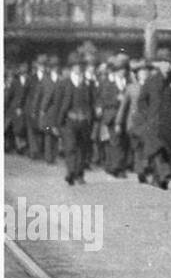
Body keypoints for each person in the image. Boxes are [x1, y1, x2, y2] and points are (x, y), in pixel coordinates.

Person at [137, 48, 171, 189]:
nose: (165, 65)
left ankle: (160, 179)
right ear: (158, 64)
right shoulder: (151, 80)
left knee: (170, 152)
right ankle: (164, 173)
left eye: (167, 62)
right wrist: (148, 115)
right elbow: (142, 101)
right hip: (155, 122)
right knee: (156, 150)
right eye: (162, 62)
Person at [51, 52, 95, 185]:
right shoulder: (63, 83)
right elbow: (57, 104)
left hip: (84, 121)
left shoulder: (88, 84)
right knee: (70, 147)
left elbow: (92, 102)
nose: (79, 68)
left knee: (82, 148)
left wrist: (92, 118)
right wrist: (55, 123)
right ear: (71, 67)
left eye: (81, 65)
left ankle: (79, 174)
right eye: (76, 66)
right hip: (68, 120)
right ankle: (71, 172)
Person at [96, 55, 131, 177]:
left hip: (125, 117)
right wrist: (117, 99)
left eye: (124, 70)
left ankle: (113, 166)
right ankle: (117, 168)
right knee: (115, 142)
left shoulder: (128, 83)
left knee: (122, 142)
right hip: (112, 116)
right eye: (121, 70)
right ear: (116, 71)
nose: (123, 72)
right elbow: (104, 100)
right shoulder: (108, 84)